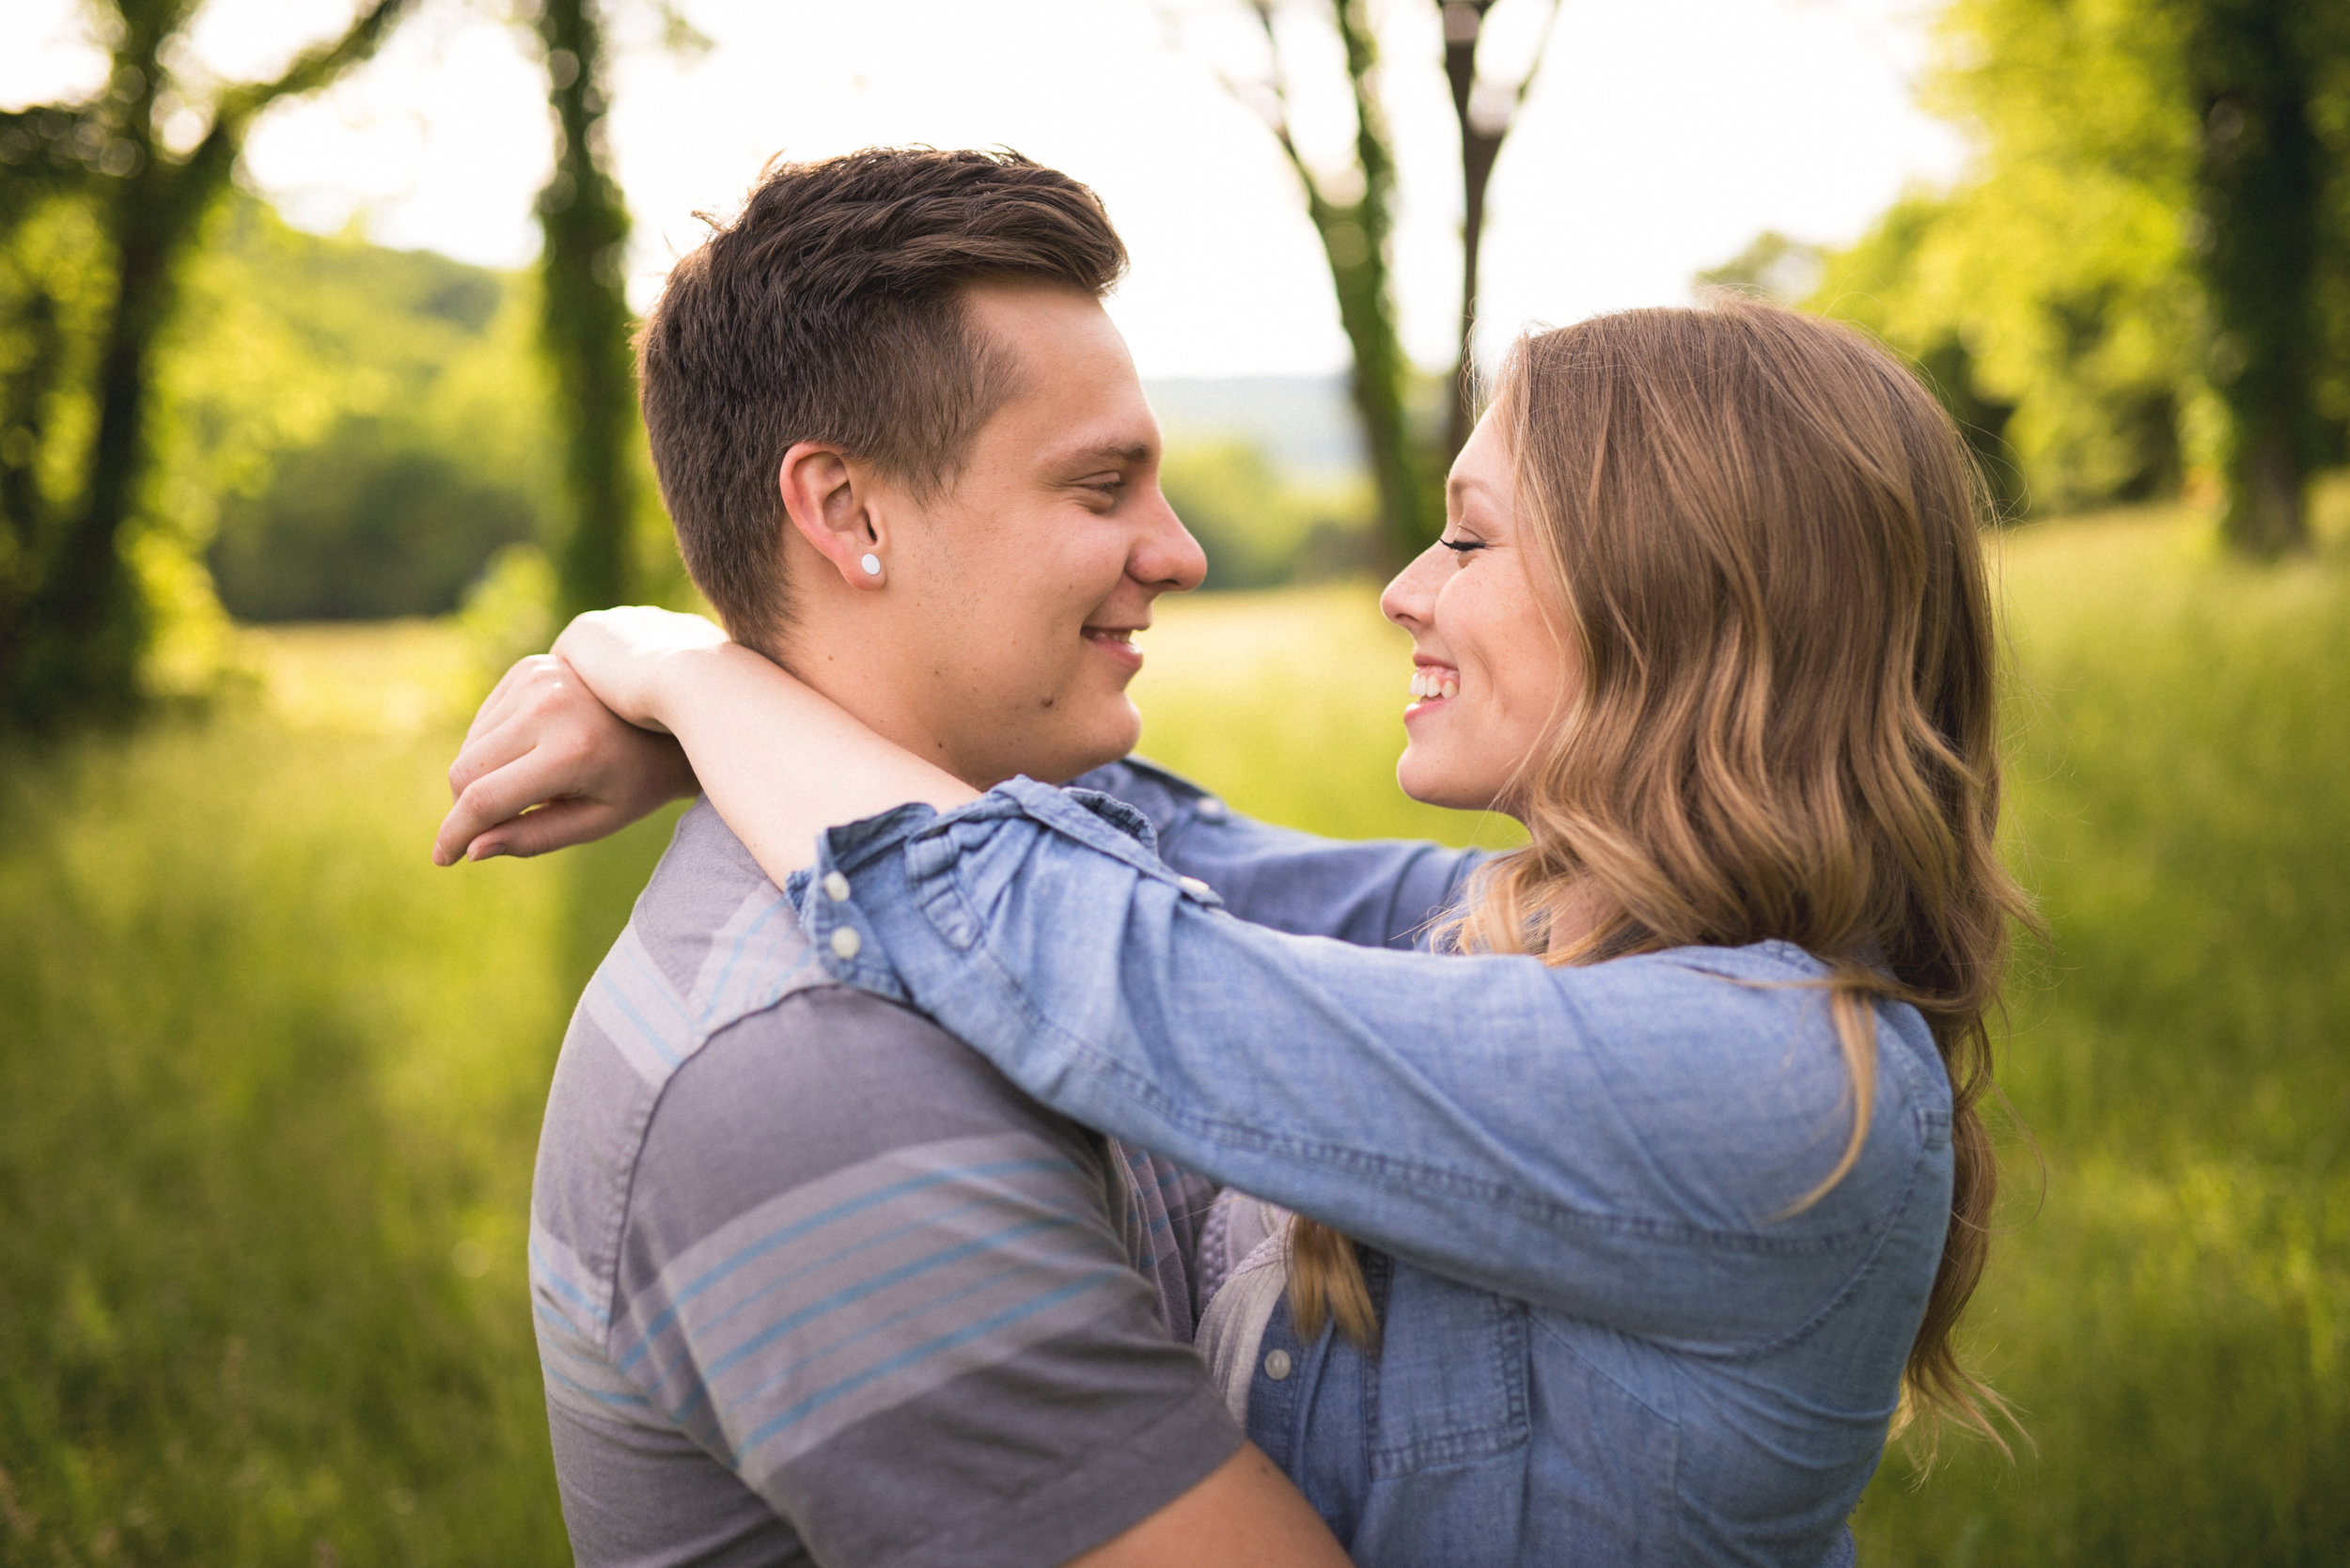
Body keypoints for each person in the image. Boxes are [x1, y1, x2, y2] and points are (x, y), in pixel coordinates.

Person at [445, 297, 2034, 1565]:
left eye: (1472, 540)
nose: (1408, 589)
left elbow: (1114, 962)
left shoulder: (1776, 1084)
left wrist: (691, 675)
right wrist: (731, 718)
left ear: (1692, 609)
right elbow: (1164, 849)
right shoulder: (1529, 930)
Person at [450, 146, 1374, 1568]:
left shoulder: (1031, 852)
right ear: (849, 515)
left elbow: (1440, 922)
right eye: (1100, 488)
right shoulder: (804, 1081)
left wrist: (691, 682)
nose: (1178, 552)